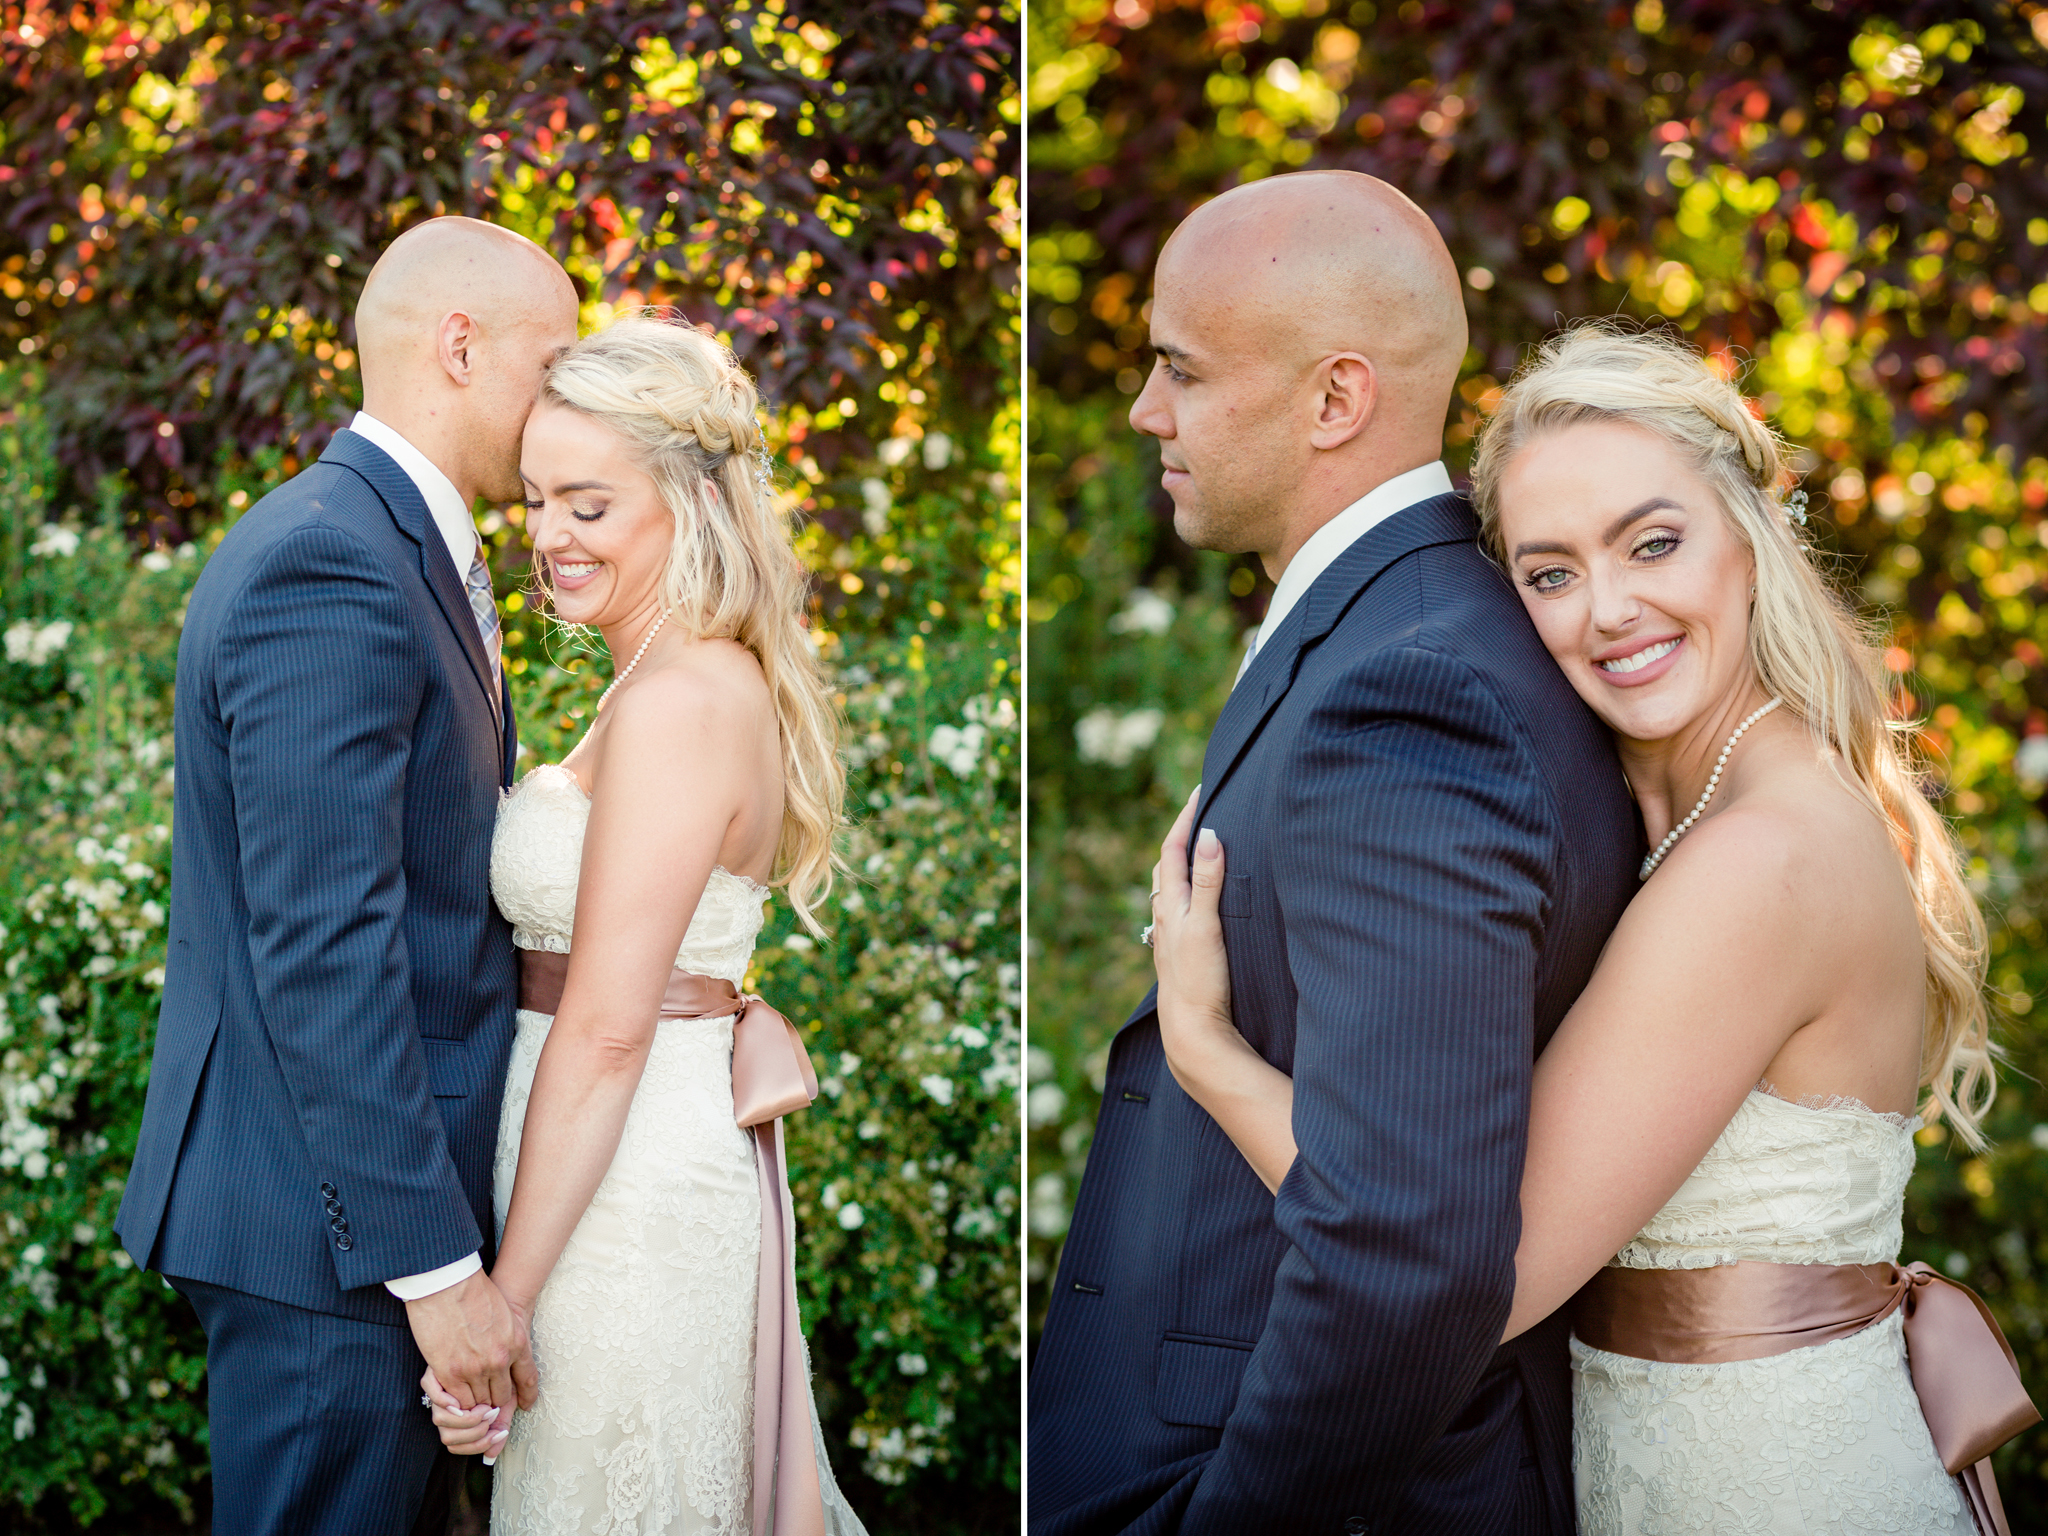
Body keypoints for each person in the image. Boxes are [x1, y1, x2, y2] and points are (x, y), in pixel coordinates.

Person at [1149, 323, 2035, 1533]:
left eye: (1652, 544)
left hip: (1769, 1487)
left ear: (1752, 534)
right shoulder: (1682, 813)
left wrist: (1205, 1052)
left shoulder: (1758, 860)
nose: (1609, 611)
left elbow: (1482, 1275)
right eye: (1549, 573)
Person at [1028, 170, 1641, 1534]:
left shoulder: (1414, 688)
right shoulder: (1399, 631)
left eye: (1180, 369)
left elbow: (1407, 1247)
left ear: (1335, 401)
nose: (1144, 410)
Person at [115, 217, 580, 1534]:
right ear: (458, 346)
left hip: (349, 1220)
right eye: (556, 363)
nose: (572, 401)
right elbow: (325, 946)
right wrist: (434, 1275)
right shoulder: (335, 563)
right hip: (336, 1245)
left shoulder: (386, 545)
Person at [416, 314, 869, 1536]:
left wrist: (498, 1306)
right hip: (585, 1162)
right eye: (536, 501)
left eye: (588, 505)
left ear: (690, 503)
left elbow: (609, 1029)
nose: (549, 536)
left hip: (620, 1195)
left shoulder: (683, 698)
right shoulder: (656, 682)